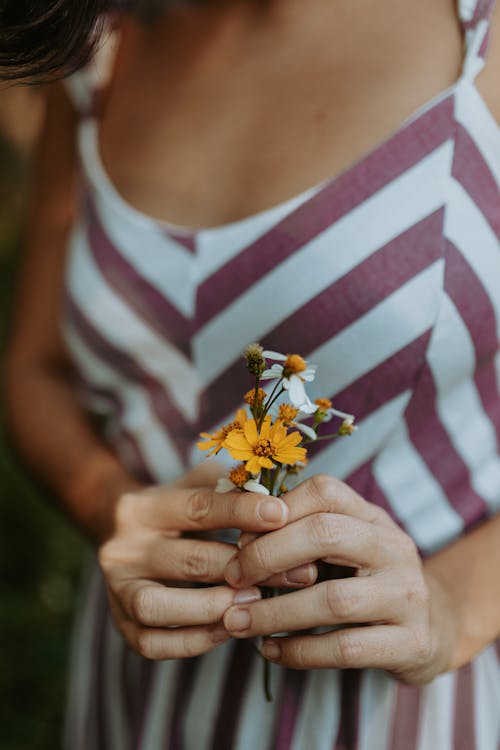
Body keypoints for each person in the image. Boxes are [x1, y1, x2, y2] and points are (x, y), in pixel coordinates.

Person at [2, 0, 500, 747]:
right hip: (139, 692)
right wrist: (121, 513)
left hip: (406, 707)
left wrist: (449, 605)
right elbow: (34, 372)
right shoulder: (104, 38)